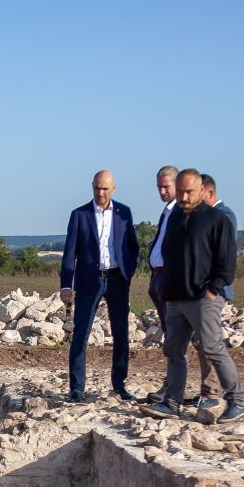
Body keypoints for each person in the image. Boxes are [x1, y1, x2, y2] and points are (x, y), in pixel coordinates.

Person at [146, 169, 244, 423]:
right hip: (176, 298)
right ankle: (171, 403)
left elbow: (227, 261)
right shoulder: (175, 217)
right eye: (180, 191)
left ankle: (237, 401)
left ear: (202, 191)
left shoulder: (216, 219)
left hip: (204, 298)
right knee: (174, 350)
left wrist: (213, 289)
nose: (184, 196)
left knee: (212, 347)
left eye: (189, 191)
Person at [58, 170, 139, 402]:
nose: (101, 192)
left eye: (105, 188)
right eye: (97, 188)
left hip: (117, 280)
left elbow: (133, 247)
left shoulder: (124, 213)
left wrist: (128, 271)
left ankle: (119, 385)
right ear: (92, 186)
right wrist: (66, 284)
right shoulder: (79, 215)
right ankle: (76, 388)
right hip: (89, 280)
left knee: (121, 333)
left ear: (113, 188)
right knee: (81, 334)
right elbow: (69, 252)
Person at [188, 173, 239, 411]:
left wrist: (212, 289)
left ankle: (217, 394)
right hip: (200, 291)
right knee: (202, 341)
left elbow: (223, 255)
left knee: (210, 343)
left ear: (208, 193)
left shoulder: (223, 216)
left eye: (196, 194)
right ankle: (208, 391)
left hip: (212, 290)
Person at [145, 164, 178, 335]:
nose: (162, 191)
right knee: (168, 329)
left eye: (166, 187)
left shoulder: (179, 211)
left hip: (169, 277)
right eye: (159, 187)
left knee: (176, 331)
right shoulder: (167, 211)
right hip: (158, 276)